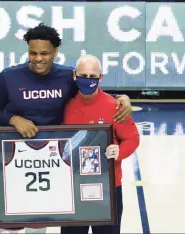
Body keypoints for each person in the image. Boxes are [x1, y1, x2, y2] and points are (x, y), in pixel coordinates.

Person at [0, 23, 133, 233]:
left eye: (44, 53)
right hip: (16, 160)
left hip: (51, 161)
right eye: (33, 53)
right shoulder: (9, 77)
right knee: (9, 225)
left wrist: (122, 98)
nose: (38, 59)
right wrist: (15, 119)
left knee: (38, 224)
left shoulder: (66, 76)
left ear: (55, 52)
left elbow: (92, 91)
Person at [61, 54, 140, 234]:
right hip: (73, 188)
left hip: (108, 188)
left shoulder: (115, 106)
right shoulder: (65, 105)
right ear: (74, 76)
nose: (87, 80)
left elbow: (133, 138)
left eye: (92, 77)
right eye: (83, 76)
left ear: (100, 78)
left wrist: (119, 151)